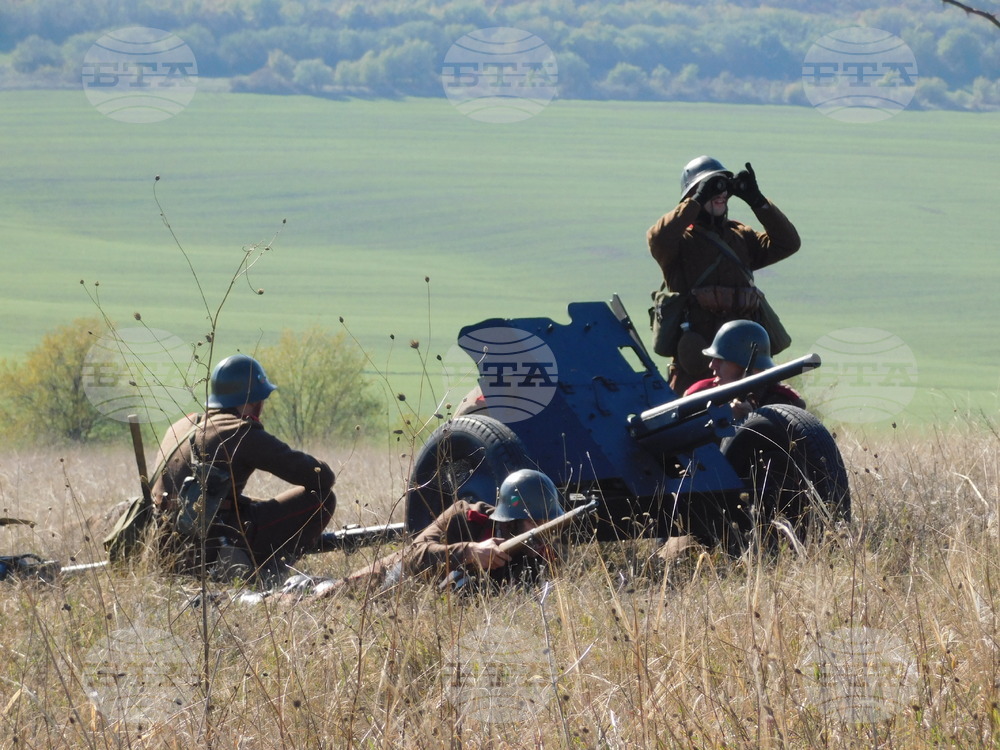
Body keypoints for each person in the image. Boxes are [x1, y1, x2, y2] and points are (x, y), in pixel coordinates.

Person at [151, 354, 336, 578]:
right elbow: (320, 477)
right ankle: (271, 572)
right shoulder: (238, 431)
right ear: (254, 401)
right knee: (323, 499)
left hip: (163, 547)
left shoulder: (182, 425)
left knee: (247, 504)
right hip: (207, 551)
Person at [647, 155, 801, 394]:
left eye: (722, 187)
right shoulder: (679, 243)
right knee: (689, 422)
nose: (719, 194)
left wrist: (757, 201)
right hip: (698, 362)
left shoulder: (740, 237)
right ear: (690, 196)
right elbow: (657, 237)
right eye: (709, 187)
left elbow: (788, 243)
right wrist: (696, 201)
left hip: (745, 363)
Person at [303, 468, 565, 599]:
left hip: (444, 601)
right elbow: (417, 552)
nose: (543, 532)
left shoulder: (540, 551)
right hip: (392, 581)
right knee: (327, 597)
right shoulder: (465, 516)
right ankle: (296, 589)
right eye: (534, 523)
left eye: (547, 522)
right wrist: (471, 552)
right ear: (511, 522)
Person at [683, 319, 805, 421]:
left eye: (722, 360)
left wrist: (751, 419)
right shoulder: (698, 395)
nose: (712, 365)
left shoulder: (784, 404)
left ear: (754, 369)